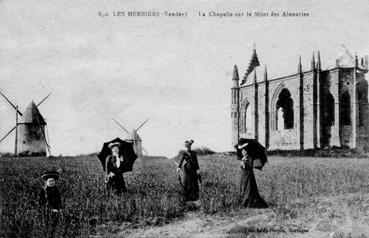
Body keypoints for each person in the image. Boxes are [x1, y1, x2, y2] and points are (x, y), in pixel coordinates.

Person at [238, 143, 268, 208]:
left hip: (248, 175)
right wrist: (242, 162)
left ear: (247, 151)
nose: (244, 151)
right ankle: (245, 203)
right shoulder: (243, 158)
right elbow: (242, 167)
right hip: (243, 176)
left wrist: (244, 163)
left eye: (245, 150)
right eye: (243, 150)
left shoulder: (250, 158)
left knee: (249, 190)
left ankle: (248, 204)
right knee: (244, 189)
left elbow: (250, 166)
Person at [39, 170, 62, 238]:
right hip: (47, 211)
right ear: (46, 182)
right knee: (48, 226)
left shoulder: (56, 190)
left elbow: (59, 200)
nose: (51, 182)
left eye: (53, 181)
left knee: (55, 225)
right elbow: (41, 201)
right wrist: (49, 208)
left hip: (56, 210)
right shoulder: (44, 190)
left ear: (55, 182)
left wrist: (60, 208)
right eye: (50, 181)